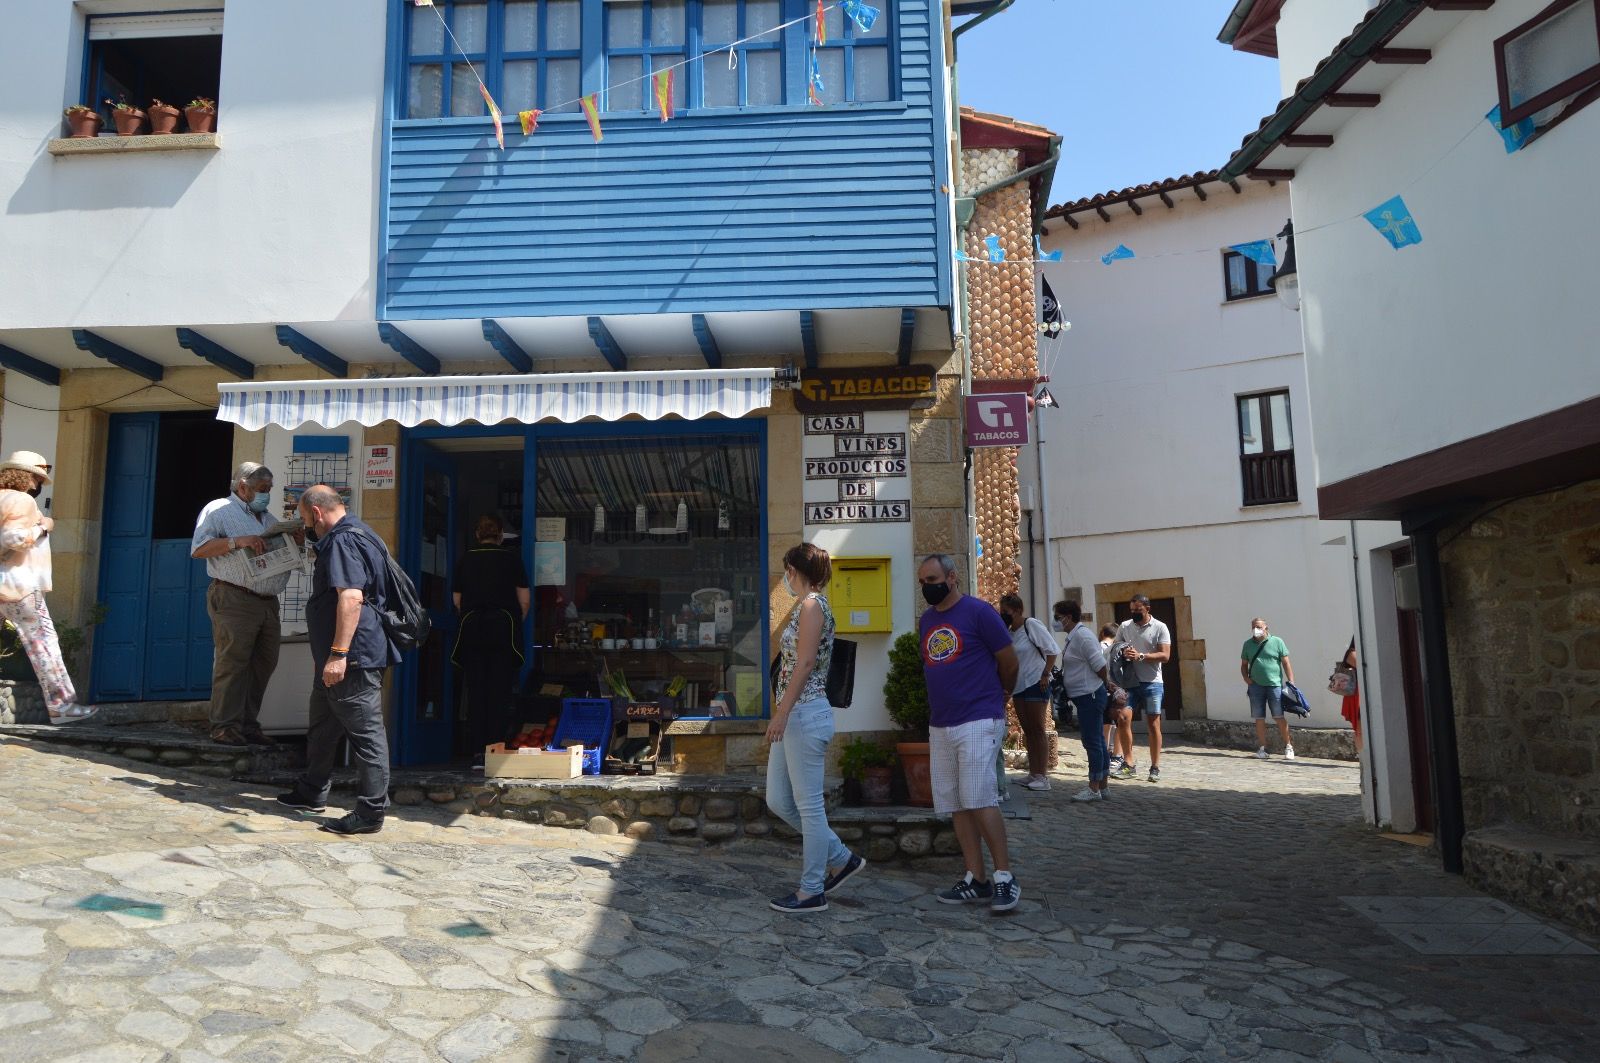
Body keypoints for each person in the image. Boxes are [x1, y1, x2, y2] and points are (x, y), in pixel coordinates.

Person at [276, 485, 401, 835]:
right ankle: (312, 790)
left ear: (317, 513)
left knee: (366, 734)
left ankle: (371, 813)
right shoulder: (364, 534)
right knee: (323, 724)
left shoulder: (344, 541)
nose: (308, 528)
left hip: (351, 657)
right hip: (337, 656)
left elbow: (350, 598)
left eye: (306, 520)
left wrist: (338, 655)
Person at [918, 554, 1022, 912]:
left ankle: (1005, 876)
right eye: (922, 582)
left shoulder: (980, 613)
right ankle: (975, 878)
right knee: (955, 802)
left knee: (979, 795)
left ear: (952, 577)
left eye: (932, 579)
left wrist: (1001, 695)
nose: (926, 587)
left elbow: (1009, 662)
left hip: (978, 717)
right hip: (942, 722)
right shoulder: (926, 622)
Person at [764, 543, 863, 914]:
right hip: (795, 716)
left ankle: (811, 890)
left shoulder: (811, 605)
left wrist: (782, 712)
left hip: (803, 715)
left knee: (809, 807)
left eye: (786, 569)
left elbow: (804, 663)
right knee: (778, 800)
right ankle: (841, 857)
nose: (784, 576)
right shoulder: (807, 605)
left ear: (795, 569)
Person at [191, 462, 296, 746]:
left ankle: (248, 725)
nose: (266, 495)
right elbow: (198, 549)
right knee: (233, 662)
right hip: (234, 597)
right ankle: (224, 726)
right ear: (242, 487)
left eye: (269, 490)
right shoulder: (218, 510)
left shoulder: (268, 519)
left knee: (263, 665)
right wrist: (238, 541)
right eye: (262, 490)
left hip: (267, 602)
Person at [0, 453, 96, 723]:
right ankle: (61, 706)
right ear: (28, 476)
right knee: (44, 645)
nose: (39, 482)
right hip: (19, 585)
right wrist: (43, 527)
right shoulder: (22, 500)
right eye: (39, 476)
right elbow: (13, 538)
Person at [452, 515, 530, 769]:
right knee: (499, 690)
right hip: (502, 628)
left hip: (473, 628)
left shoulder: (465, 560)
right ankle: (496, 749)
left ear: (477, 535)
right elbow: (524, 601)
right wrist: (516, 621)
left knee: (476, 690)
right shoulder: (511, 559)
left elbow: (457, 601)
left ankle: (477, 753)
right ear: (500, 536)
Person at [1056, 601, 1116, 802]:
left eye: (1059, 617)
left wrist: (1105, 684)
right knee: (1097, 740)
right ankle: (1103, 785)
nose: (1057, 622)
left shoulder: (1082, 636)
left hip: (1089, 694)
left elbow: (1099, 665)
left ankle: (1094, 787)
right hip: (1084, 695)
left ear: (1069, 617)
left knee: (1092, 741)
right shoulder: (1075, 637)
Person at [999, 593, 1057, 792]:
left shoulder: (1031, 625)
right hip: (1020, 685)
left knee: (1038, 729)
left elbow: (1052, 650)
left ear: (1016, 610)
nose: (1003, 615)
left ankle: (1042, 775)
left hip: (1035, 682)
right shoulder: (1010, 632)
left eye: (1005, 611)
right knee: (1028, 730)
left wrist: (1045, 674)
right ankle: (1033, 773)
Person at [1112, 595, 1172, 783]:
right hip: (1130, 682)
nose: (1134, 614)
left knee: (1153, 724)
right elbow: (1116, 647)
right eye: (1132, 610)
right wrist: (1122, 651)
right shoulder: (1125, 626)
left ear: (1147, 608)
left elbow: (1165, 655)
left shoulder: (1160, 627)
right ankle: (1129, 764)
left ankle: (1155, 766)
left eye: (1138, 610)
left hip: (1152, 682)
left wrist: (1140, 656)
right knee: (1122, 718)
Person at [1243, 617, 1296, 760]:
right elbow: (1244, 664)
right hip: (1255, 686)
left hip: (1274, 685)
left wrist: (1291, 681)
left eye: (1259, 627)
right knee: (1259, 718)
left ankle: (1288, 747)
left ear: (1266, 627)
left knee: (1279, 716)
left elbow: (1286, 662)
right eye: (1254, 627)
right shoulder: (1247, 644)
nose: (1256, 629)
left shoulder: (1277, 642)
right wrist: (1246, 679)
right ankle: (1262, 748)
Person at [1100, 622, 1135, 777]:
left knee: (1105, 724)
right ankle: (1117, 754)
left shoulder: (1100, 647)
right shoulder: (1120, 648)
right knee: (1120, 723)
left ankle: (1105, 752)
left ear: (1102, 633)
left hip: (1103, 688)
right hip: (1118, 689)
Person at [1340, 642, 1362, 753]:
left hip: (1360, 694)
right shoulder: (1352, 653)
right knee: (1360, 727)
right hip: (1356, 694)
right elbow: (1363, 667)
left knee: (1361, 727)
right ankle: (1363, 756)